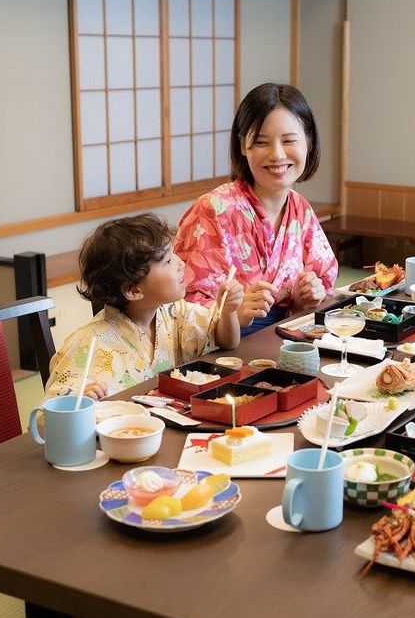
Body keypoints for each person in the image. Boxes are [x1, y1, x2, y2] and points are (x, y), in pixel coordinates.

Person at [175, 83, 338, 335]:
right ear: (243, 145)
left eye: (289, 141)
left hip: (286, 338)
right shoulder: (213, 210)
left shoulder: (300, 209)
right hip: (225, 349)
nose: (277, 155)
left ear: (308, 142)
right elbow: (181, 307)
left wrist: (305, 296)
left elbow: (324, 283)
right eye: (261, 142)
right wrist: (233, 314)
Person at [45, 213, 243, 399]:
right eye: (167, 261)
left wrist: (228, 313)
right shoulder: (89, 344)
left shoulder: (175, 313)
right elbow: (48, 417)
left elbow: (226, 341)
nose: (181, 263)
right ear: (133, 291)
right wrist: (84, 399)